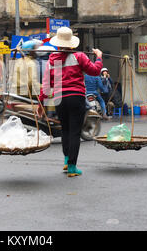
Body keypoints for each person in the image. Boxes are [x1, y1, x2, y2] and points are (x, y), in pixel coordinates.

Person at [37, 27, 103, 177]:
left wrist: (41, 103)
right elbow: (95, 71)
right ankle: (72, 166)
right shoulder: (79, 56)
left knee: (65, 130)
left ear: (58, 44)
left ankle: (67, 160)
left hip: (59, 99)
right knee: (74, 132)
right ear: (71, 43)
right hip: (76, 97)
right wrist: (99, 57)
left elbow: (46, 86)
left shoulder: (51, 61)